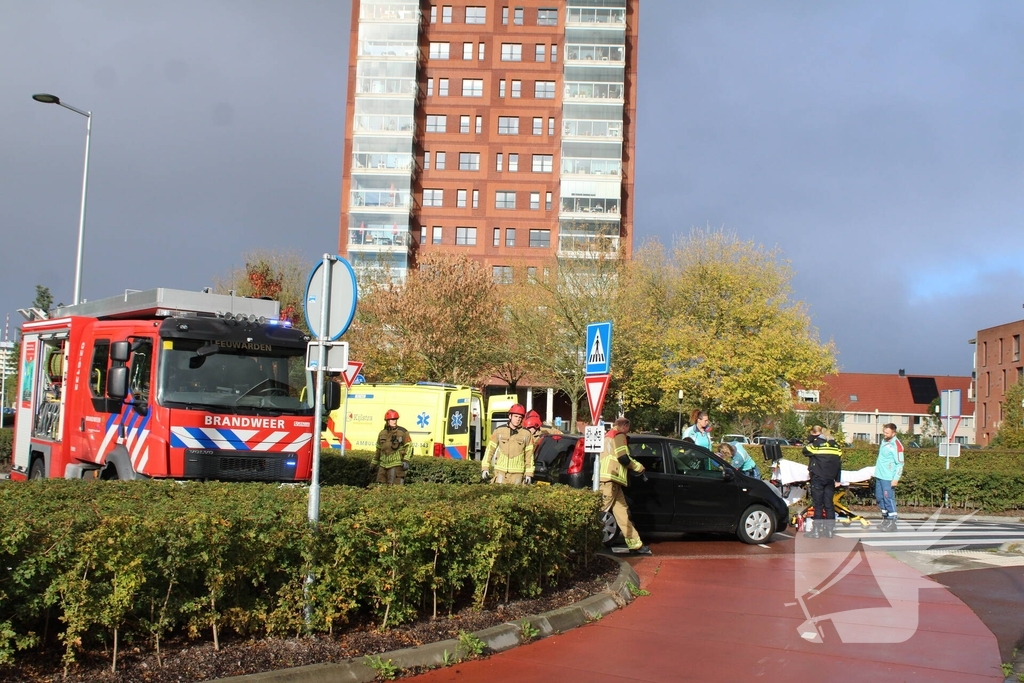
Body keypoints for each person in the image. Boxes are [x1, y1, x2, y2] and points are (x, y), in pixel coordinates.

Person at [600, 417, 651, 555]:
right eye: (628, 429)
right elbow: (623, 457)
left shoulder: (607, 436)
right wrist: (638, 467)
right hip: (610, 479)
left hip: (611, 481)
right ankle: (584, 542)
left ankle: (636, 544)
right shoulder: (619, 435)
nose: (628, 432)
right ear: (625, 426)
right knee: (600, 512)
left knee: (623, 514)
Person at [803, 425, 843, 538]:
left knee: (818, 504)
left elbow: (805, 451)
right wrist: (838, 479)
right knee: (829, 504)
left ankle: (816, 531)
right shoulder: (836, 447)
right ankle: (830, 531)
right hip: (830, 478)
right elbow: (839, 464)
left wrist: (811, 439)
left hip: (818, 477)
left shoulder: (816, 445)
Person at [481, 403, 535, 485]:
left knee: (515, 497)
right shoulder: (499, 431)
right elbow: (489, 450)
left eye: (520, 417)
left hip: (517, 474)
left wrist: (529, 474)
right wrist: (485, 468)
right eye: (516, 416)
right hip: (500, 472)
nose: (518, 419)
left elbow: (529, 456)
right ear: (510, 416)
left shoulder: (527, 434)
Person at [874, 423, 904, 532]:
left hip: (888, 477)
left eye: (887, 433)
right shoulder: (884, 441)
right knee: (879, 498)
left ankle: (892, 522)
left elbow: (900, 464)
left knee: (888, 499)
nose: (885, 434)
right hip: (879, 475)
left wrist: (896, 478)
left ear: (893, 433)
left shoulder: (897, 445)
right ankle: (885, 519)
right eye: (884, 432)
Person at [371, 409, 412, 485]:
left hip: (396, 465)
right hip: (382, 466)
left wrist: (406, 461)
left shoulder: (403, 432)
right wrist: (373, 464)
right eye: (392, 419)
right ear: (387, 421)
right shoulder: (382, 433)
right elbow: (378, 450)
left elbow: (409, 447)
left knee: (394, 489)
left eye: (396, 419)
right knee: (380, 487)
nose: (395, 421)